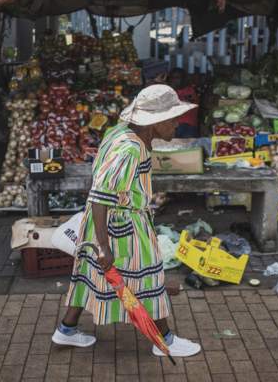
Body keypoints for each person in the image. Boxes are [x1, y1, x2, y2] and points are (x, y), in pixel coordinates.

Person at [51, 84, 202, 358]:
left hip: (105, 222)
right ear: (154, 122)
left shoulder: (121, 133)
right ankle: (164, 340)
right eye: (172, 119)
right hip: (122, 227)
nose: (177, 125)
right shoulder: (130, 149)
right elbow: (100, 195)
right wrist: (104, 245)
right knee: (150, 280)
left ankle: (66, 330)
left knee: (90, 275)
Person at [166, 68, 199, 138]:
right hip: (172, 126)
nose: (174, 80)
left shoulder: (190, 90)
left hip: (187, 126)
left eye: (177, 78)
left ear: (183, 79)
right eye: (172, 78)